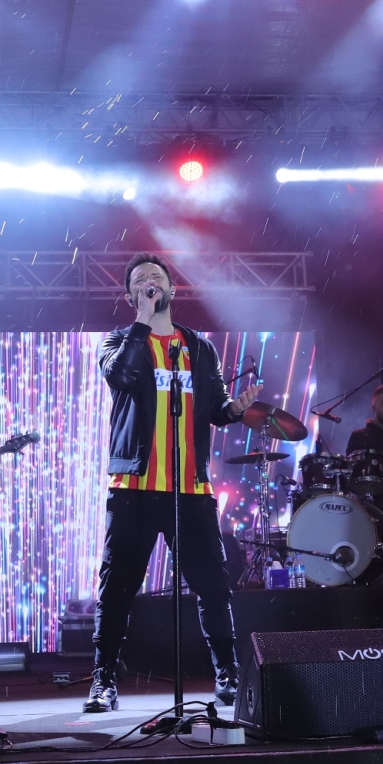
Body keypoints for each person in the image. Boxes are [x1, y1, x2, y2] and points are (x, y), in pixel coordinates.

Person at [87, 254, 260, 714]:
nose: (149, 282)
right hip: (135, 486)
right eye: (139, 280)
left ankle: (228, 674)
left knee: (213, 587)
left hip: (191, 490)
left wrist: (234, 409)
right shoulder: (119, 340)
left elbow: (215, 407)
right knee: (118, 588)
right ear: (130, 295)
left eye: (156, 277)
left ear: (172, 289)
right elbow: (120, 375)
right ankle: (103, 680)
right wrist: (142, 324)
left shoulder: (198, 347)